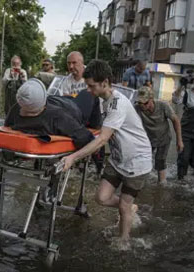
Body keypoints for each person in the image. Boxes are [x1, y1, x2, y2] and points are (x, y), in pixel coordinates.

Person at [62, 60, 152, 246]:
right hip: (119, 158)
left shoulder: (117, 103)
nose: (88, 89)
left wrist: (72, 157)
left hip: (137, 161)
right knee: (101, 198)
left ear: (104, 82)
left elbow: (103, 139)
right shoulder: (104, 100)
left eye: (91, 85)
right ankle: (130, 207)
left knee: (123, 206)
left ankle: (124, 241)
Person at [5, 78, 101, 149]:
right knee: (90, 92)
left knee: (68, 97)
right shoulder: (57, 116)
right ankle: (96, 127)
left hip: (58, 102)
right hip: (74, 109)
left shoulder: (15, 109)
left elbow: (7, 126)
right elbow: (85, 138)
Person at [135, 86, 184, 183]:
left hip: (163, 138)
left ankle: (162, 183)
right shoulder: (137, 108)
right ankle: (141, 182)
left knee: (160, 161)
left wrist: (179, 140)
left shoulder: (162, 106)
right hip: (148, 139)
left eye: (145, 103)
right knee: (142, 160)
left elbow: (176, 120)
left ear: (151, 99)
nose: (142, 105)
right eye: (139, 102)